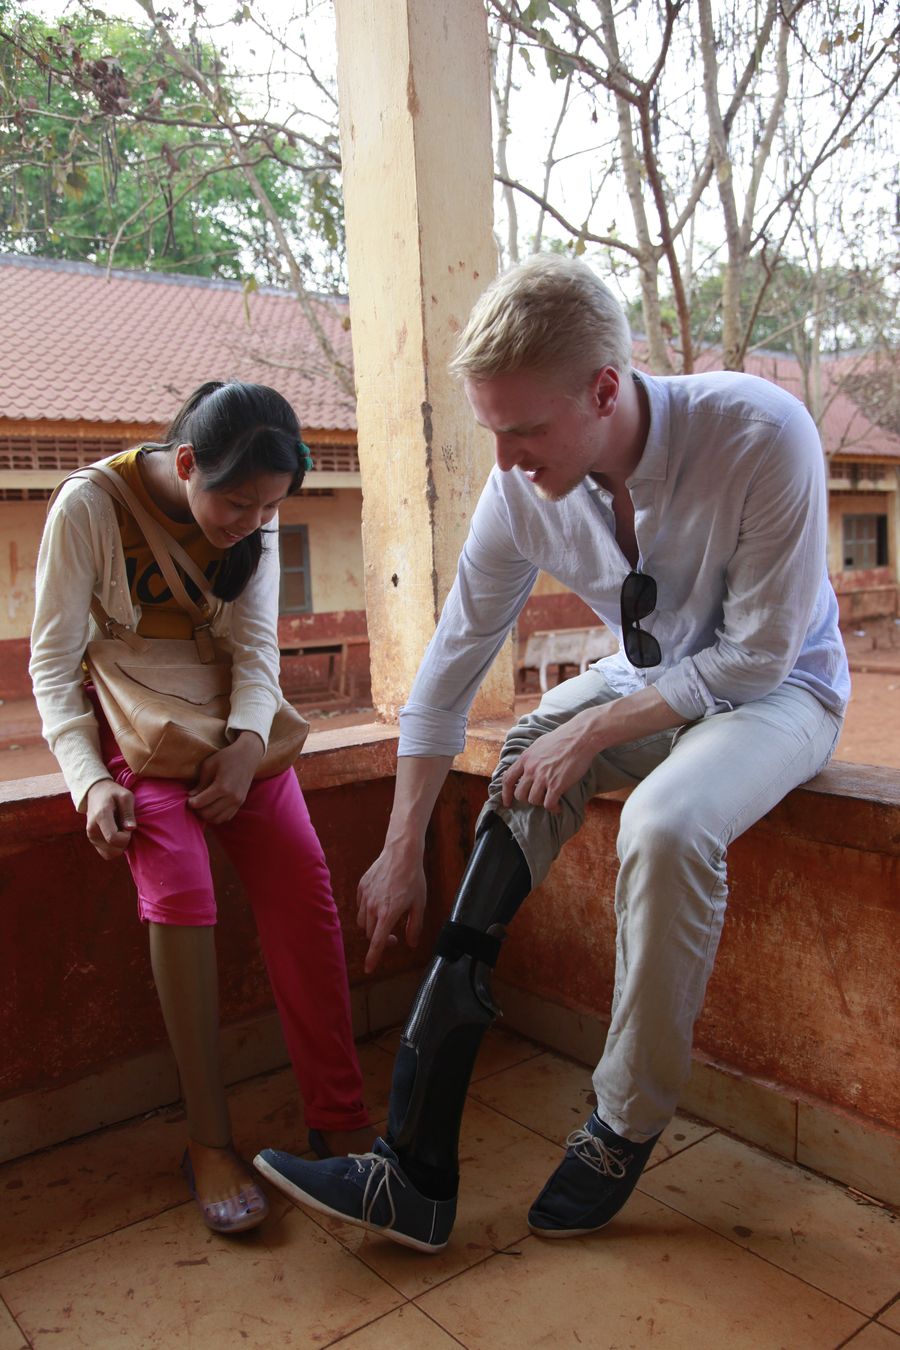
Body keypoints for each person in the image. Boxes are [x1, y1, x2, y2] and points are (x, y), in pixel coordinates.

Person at [254, 256, 849, 1252]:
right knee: (527, 752)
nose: (506, 461)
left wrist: (594, 730)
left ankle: (623, 1123)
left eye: (525, 431)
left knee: (663, 823)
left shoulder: (758, 433)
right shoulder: (523, 488)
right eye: (494, 431)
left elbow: (755, 656)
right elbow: (448, 668)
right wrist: (402, 847)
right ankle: (414, 1166)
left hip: (782, 687)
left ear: (605, 389)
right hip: (649, 679)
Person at [30, 380, 372, 1235]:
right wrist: (89, 779)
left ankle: (337, 1113)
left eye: (269, 507)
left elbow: (258, 652)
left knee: (303, 883)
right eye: (235, 502)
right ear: (186, 463)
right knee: (181, 890)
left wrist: (249, 748)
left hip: (232, 727)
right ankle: (209, 1140)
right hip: (139, 734)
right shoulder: (88, 508)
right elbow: (52, 665)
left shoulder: (259, 514)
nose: (252, 523)